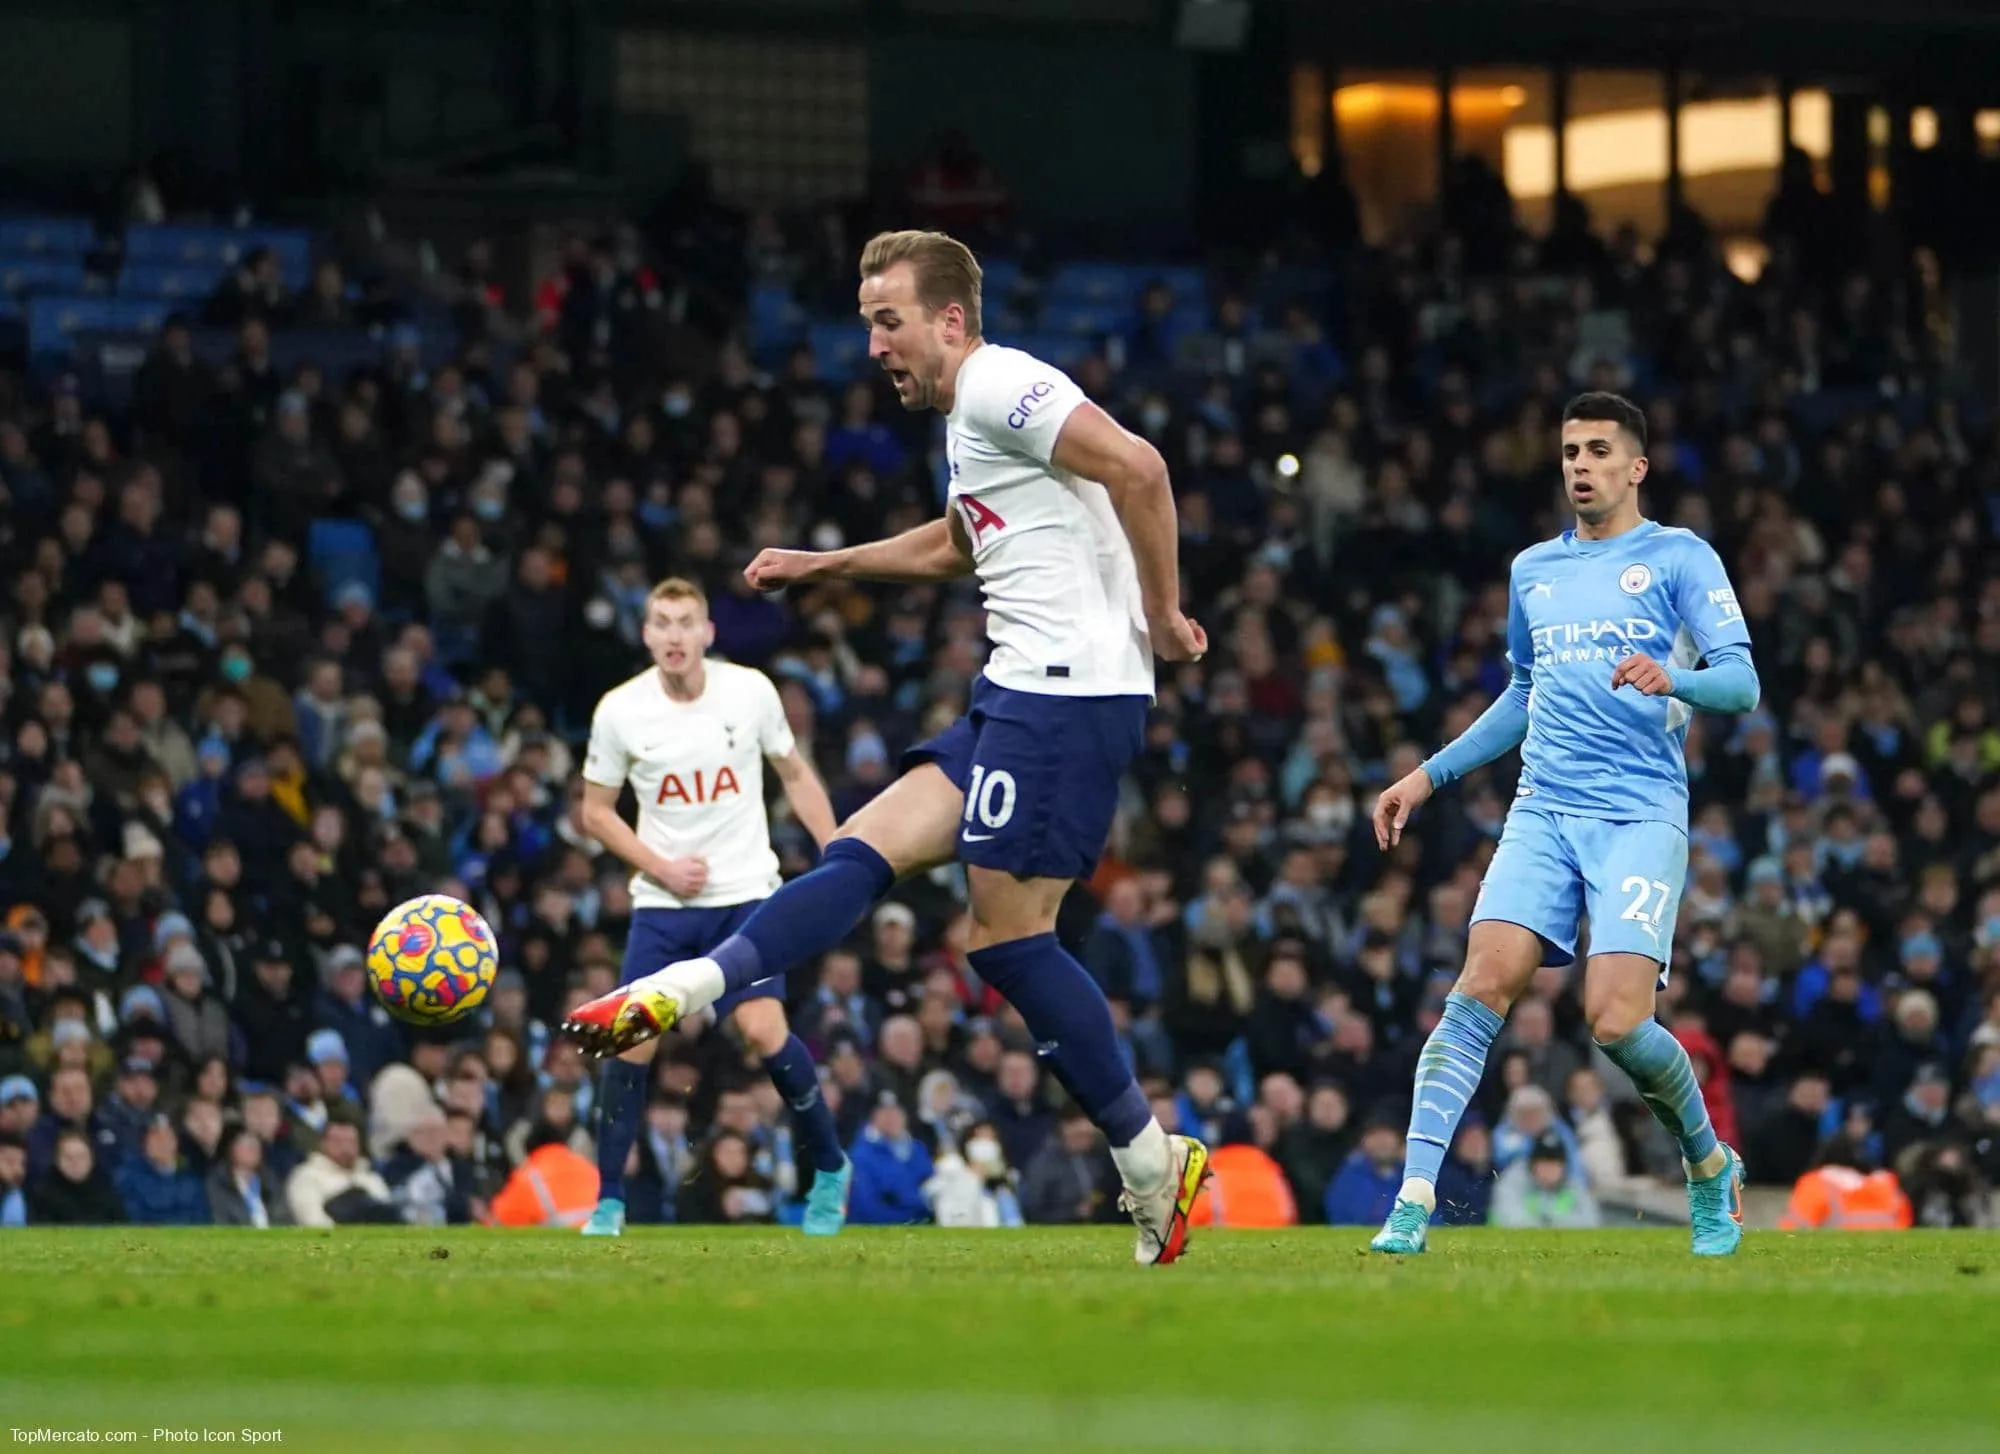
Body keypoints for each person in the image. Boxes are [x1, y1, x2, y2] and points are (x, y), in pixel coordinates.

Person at [566, 229, 1212, 1265]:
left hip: (1066, 697)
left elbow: (1140, 467)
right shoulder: (968, 415)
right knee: (859, 848)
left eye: (888, 322)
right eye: (868, 323)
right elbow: (960, 541)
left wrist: (1164, 613)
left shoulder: (998, 383)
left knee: (1006, 941)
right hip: (1015, 688)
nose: (873, 346)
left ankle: (1148, 1163)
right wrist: (824, 564)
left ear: (950, 320)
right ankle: (689, 987)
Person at [1368, 393, 1760, 1258]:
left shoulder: (1679, 557)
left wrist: (1675, 679)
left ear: (1636, 467)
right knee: (1478, 986)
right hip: (1544, 808)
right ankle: (1412, 1203)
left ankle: (1707, 1164)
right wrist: (1426, 778)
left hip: (1640, 813)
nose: (1580, 465)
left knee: (1615, 1022)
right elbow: (1523, 692)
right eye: (1571, 451)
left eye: (1598, 451)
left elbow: (1742, 683)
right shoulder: (1533, 570)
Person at [570, 577, 848, 1239]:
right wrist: (660, 867)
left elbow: (795, 772)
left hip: (745, 896)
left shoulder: (749, 692)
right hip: (663, 905)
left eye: (686, 622)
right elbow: (595, 812)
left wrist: (840, 851)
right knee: (628, 1041)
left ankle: (830, 1170)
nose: (674, 635)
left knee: (762, 1031)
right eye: (662, 623)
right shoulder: (620, 710)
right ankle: (609, 1203)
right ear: (646, 635)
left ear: (707, 633)